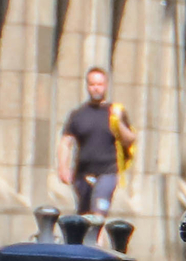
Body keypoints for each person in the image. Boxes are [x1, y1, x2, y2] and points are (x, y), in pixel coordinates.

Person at [57, 67, 136, 216]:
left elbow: (130, 139)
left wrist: (118, 123)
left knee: (98, 216)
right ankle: (86, 240)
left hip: (107, 172)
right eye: (92, 84)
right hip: (82, 175)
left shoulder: (115, 112)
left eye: (99, 84)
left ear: (106, 85)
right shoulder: (78, 114)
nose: (96, 88)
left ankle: (97, 240)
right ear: (87, 86)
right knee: (84, 217)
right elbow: (66, 141)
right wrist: (63, 167)